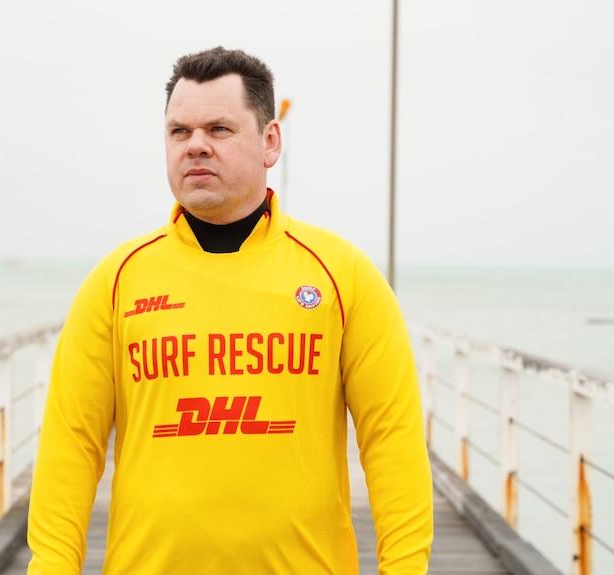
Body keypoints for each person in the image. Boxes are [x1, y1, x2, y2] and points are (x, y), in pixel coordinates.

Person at [27, 46, 433, 574]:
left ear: (270, 142)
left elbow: (391, 439)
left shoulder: (341, 275)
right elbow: (71, 448)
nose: (195, 146)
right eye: (179, 132)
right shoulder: (117, 281)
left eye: (219, 129)